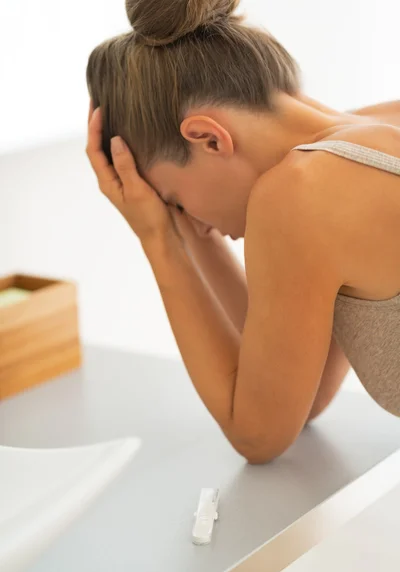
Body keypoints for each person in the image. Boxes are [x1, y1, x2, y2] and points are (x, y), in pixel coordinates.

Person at [85, 0, 400, 464]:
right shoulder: (373, 134)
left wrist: (159, 239)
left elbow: (258, 435)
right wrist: (191, 233)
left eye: (174, 200)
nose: (193, 222)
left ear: (209, 138)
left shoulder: (302, 193)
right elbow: (297, 395)